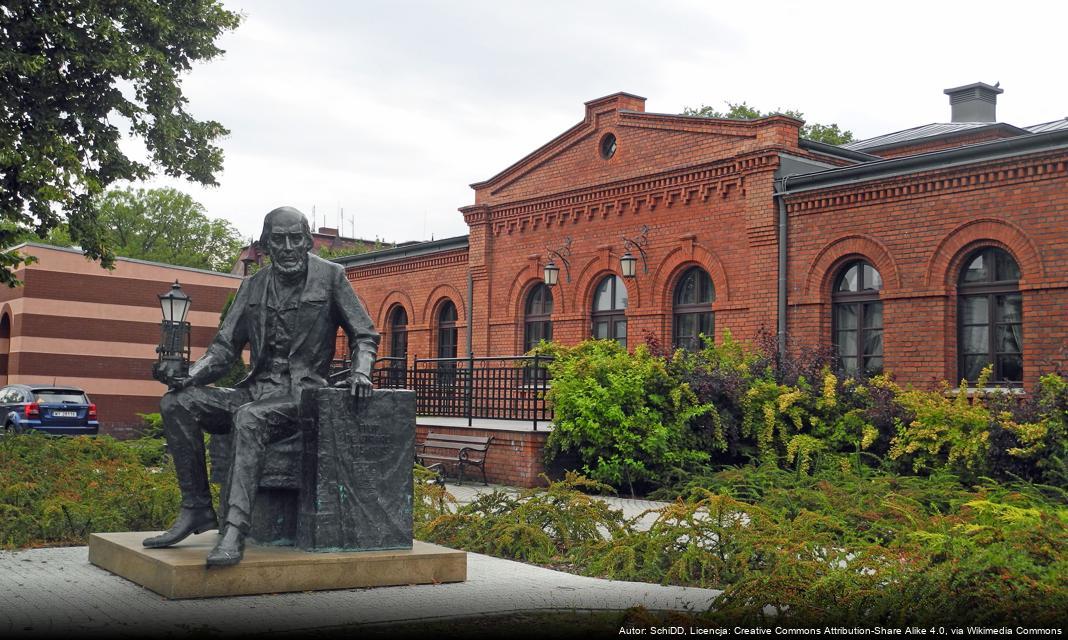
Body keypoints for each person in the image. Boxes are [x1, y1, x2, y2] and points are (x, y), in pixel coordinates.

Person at [143, 206, 379, 566]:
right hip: (256, 388)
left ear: (308, 242)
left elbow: (364, 334)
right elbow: (223, 348)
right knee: (177, 403)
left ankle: (234, 530)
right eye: (278, 240)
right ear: (266, 244)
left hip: (303, 395)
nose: (287, 247)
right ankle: (196, 509)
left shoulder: (331, 278)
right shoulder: (252, 286)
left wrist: (362, 371)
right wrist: (190, 377)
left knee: (249, 418)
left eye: (295, 239)